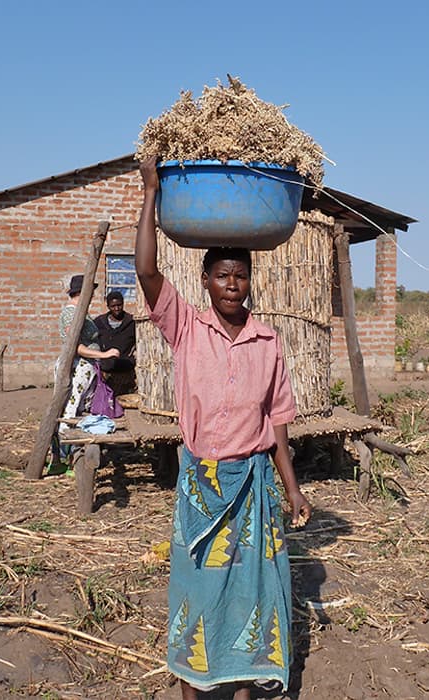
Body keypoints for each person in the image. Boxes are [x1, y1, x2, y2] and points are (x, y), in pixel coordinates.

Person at [136, 156, 310, 699]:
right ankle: (192, 690)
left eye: (241, 275)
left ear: (250, 281)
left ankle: (240, 689)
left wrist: (293, 490)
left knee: (251, 593)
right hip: (202, 485)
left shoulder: (268, 342)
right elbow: (146, 273)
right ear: (206, 281)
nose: (233, 285)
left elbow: (277, 422)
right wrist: (151, 192)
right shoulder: (186, 328)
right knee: (197, 592)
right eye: (223, 276)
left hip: (253, 486)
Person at [58, 274, 122, 419]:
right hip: (78, 366)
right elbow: (75, 346)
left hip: (86, 366)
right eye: (90, 292)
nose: (93, 296)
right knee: (72, 406)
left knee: (81, 406)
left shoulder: (80, 312)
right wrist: (104, 355)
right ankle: (66, 431)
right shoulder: (71, 313)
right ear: (82, 293)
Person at [92, 290, 139, 396]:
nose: (117, 308)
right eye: (113, 306)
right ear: (108, 306)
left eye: (119, 305)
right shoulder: (99, 322)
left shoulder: (131, 322)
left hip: (125, 369)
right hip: (105, 370)